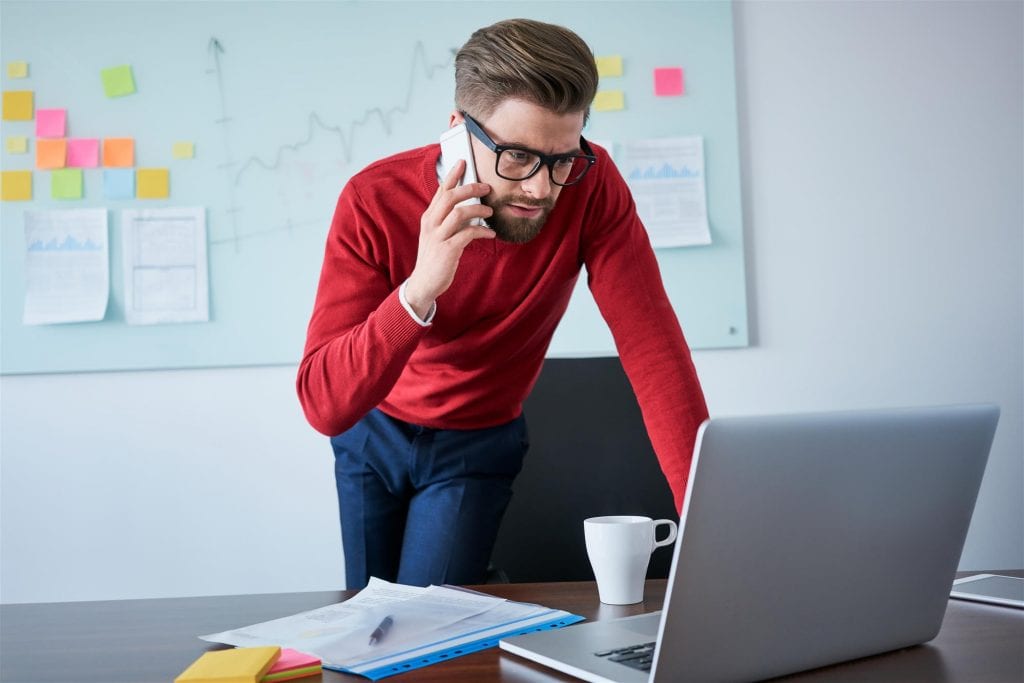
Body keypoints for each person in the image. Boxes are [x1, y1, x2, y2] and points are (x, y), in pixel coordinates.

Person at [297, 18, 708, 590]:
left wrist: (709, 524)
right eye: (517, 157)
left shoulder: (592, 186)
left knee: (430, 634)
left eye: (563, 157)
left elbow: (653, 349)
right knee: (366, 623)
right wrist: (420, 289)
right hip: (372, 430)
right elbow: (324, 403)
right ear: (457, 133)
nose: (541, 189)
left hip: (477, 437)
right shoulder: (373, 199)